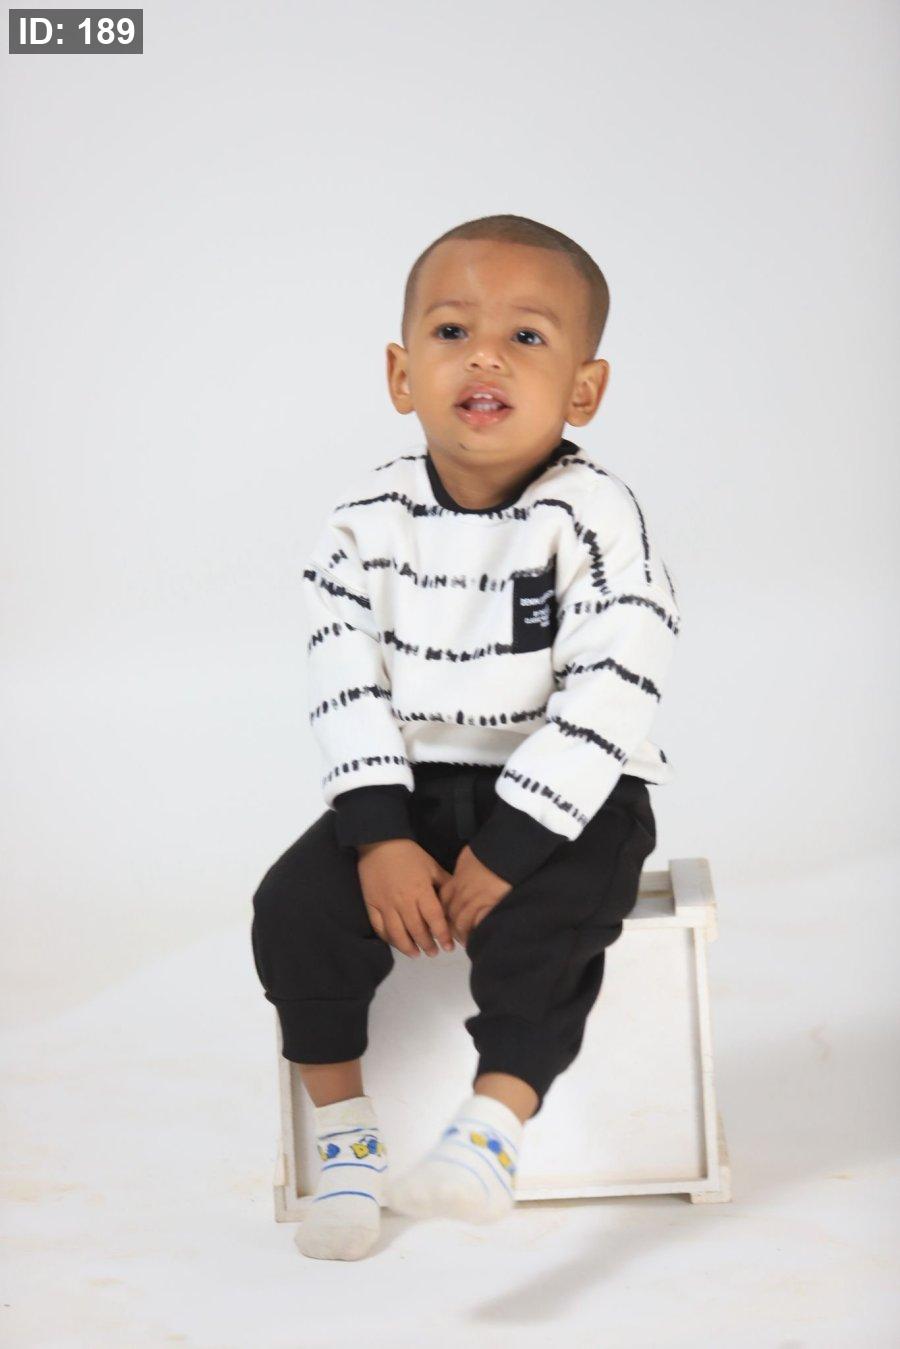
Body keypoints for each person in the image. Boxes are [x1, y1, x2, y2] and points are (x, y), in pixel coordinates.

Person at [250, 213, 681, 1260]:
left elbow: (615, 686)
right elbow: (344, 681)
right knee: (294, 909)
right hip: (412, 787)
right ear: (402, 374)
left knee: (553, 923)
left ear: (584, 390)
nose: (485, 356)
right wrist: (380, 834)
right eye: (451, 332)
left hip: (571, 795)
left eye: (527, 337)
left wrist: (514, 845)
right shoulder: (362, 524)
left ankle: (491, 1127)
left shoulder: (594, 517)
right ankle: (346, 1144)